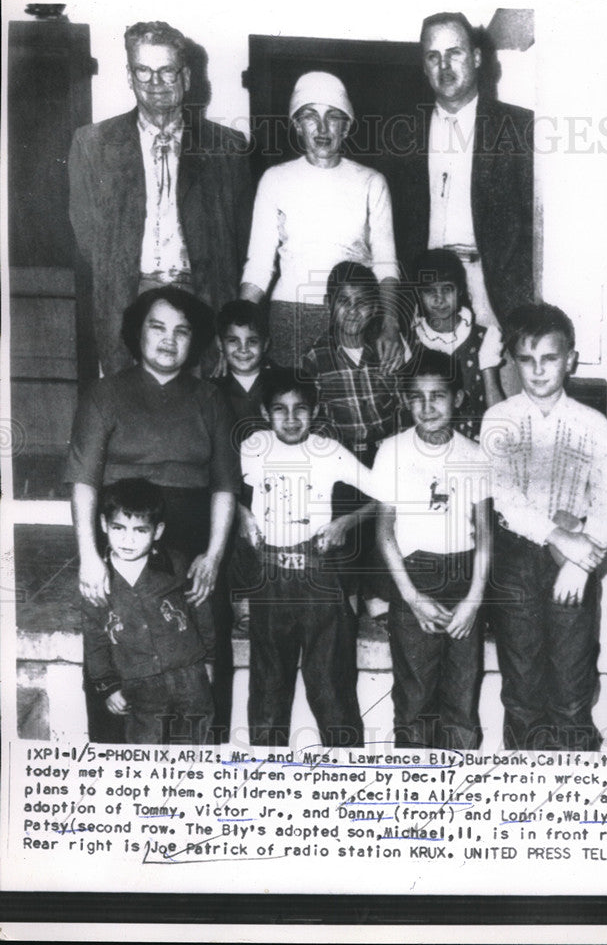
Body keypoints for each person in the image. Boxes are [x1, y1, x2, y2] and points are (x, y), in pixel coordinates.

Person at [65, 286, 239, 740]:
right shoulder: (104, 394)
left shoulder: (209, 399)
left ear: (195, 341)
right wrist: (90, 556)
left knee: (202, 656)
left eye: (182, 331)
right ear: (136, 332)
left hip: (192, 539)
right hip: (123, 534)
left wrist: (214, 557)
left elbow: (224, 487)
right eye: (157, 327)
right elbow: (83, 482)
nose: (169, 339)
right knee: (118, 650)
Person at [68, 20, 252, 375]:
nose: (155, 85)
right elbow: (88, 239)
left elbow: (240, 241)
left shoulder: (228, 148)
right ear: (129, 75)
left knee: (198, 415)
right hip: (129, 298)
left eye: (167, 72)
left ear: (185, 77)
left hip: (204, 299)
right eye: (143, 72)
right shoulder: (93, 145)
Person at [480, 303, 607, 751]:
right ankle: (522, 797)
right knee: (521, 689)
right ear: (513, 361)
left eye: (550, 358)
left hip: (575, 559)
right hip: (516, 561)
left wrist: (580, 562)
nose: (539, 370)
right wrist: (558, 537)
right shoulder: (498, 419)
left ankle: (574, 799)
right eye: (527, 358)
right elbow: (504, 496)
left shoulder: (594, 424)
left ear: (571, 360)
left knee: (571, 687)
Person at [386, 11, 533, 391]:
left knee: (500, 406)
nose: (444, 66)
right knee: (432, 406)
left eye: (455, 53)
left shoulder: (519, 128)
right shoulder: (403, 132)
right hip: (428, 291)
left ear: (478, 58)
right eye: (433, 56)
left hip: (492, 287)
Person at [236, 368, 380, 747]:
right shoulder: (254, 446)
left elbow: (383, 494)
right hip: (270, 580)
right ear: (266, 414)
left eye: (301, 408)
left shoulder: (327, 450)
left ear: (314, 412)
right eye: (280, 409)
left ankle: (348, 784)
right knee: (268, 691)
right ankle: (267, 784)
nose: (291, 418)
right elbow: (223, 490)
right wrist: (242, 514)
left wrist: (345, 523)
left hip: (319, 577)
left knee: (332, 689)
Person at [239, 71, 402, 369]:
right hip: (291, 315)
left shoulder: (371, 182)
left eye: (333, 116)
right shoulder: (275, 179)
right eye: (311, 116)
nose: (323, 127)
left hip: (355, 314)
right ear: (298, 126)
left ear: (346, 125)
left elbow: (386, 263)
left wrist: (391, 324)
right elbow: (259, 265)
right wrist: (237, 326)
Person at [374, 350, 492, 749]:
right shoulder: (391, 450)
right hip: (413, 577)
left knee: (461, 700)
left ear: (458, 398)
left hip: (463, 578)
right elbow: (384, 530)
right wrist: (411, 598)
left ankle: (460, 797)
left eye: (438, 396)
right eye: (417, 397)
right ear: (407, 401)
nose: (427, 407)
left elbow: (484, 533)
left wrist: (474, 600)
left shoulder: (474, 454)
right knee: (414, 700)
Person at [301, 260, 410, 615]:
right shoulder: (315, 357)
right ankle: (346, 605)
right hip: (341, 460)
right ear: (329, 304)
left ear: (375, 307)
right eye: (343, 301)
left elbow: (403, 410)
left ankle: (379, 602)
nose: (352, 311)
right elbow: (315, 422)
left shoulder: (387, 351)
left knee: (391, 526)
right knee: (343, 534)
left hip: (384, 457)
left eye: (362, 302)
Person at [82, 478, 215, 744]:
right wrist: (108, 687)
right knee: (144, 755)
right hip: (138, 686)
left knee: (197, 750)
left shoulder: (176, 564)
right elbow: (94, 639)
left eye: (140, 530)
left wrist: (209, 660)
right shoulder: (96, 580)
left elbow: (202, 610)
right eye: (119, 528)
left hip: (189, 675)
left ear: (157, 531)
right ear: (104, 525)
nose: (128, 539)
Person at [409, 247, 503, 442]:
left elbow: (495, 405)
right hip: (427, 444)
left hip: (474, 442)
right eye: (429, 291)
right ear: (419, 293)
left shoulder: (484, 338)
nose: (439, 299)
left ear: (459, 289)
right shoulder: (411, 342)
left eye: (447, 289)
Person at [213, 299, 273, 435]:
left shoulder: (282, 383)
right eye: (233, 341)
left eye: (252, 341)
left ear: (265, 344)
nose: (243, 349)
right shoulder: (210, 391)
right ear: (220, 343)